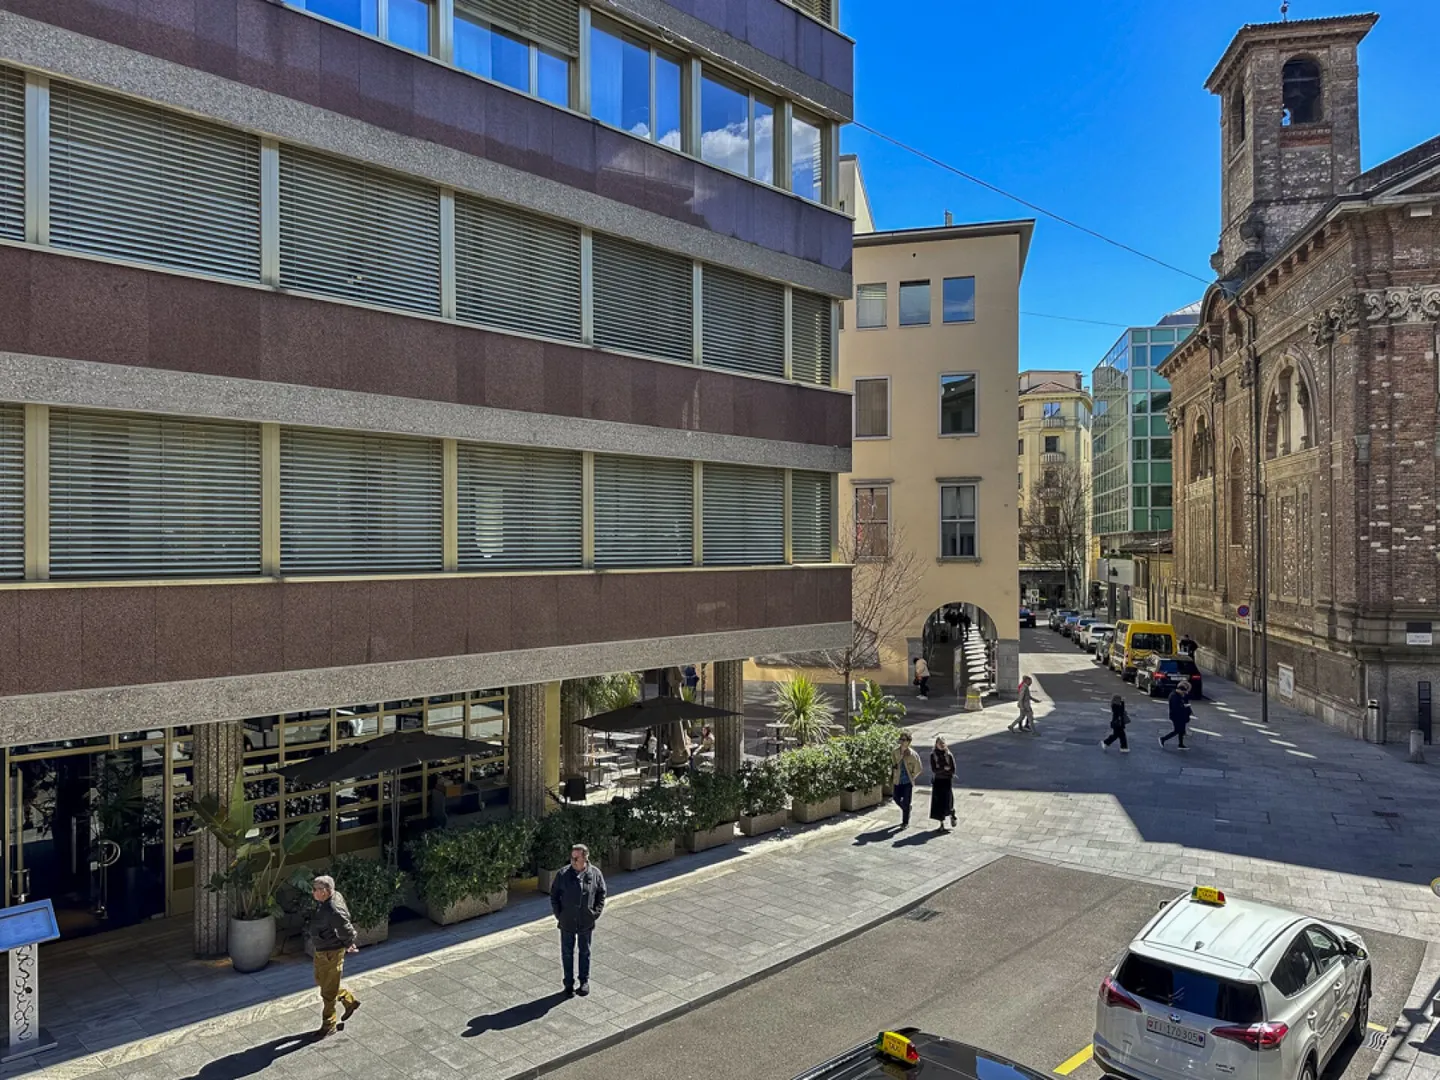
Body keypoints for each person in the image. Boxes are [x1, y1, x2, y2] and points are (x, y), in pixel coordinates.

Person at [549, 843, 607, 997]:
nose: (573, 861)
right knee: (567, 953)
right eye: (572, 858)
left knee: (585, 952)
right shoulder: (563, 874)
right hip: (567, 921)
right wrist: (559, 914)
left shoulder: (595, 874)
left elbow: (601, 893)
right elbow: (554, 895)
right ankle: (568, 984)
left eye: (576, 858)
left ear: (585, 858)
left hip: (585, 921)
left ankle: (584, 982)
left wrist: (595, 913)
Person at [307, 876, 360, 1038]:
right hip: (322, 949)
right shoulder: (330, 900)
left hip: (330, 952)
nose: (312, 892)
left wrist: (348, 943)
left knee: (328, 992)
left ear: (324, 892)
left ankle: (328, 1024)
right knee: (321, 981)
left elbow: (346, 928)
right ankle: (348, 999)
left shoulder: (333, 909)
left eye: (315, 889)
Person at [891, 732, 922, 828]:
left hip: (907, 781)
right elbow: (893, 763)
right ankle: (907, 809)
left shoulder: (913, 755)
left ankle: (905, 822)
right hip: (898, 780)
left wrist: (912, 776)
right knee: (896, 798)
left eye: (904, 740)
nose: (902, 741)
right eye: (901, 739)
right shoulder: (895, 752)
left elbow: (918, 768)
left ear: (908, 742)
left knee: (906, 801)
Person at [929, 736, 957, 831]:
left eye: (943, 743)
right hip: (938, 781)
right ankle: (941, 824)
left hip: (947, 781)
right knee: (938, 803)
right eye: (940, 743)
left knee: (948, 800)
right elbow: (934, 770)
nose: (941, 745)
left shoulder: (948, 755)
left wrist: (942, 770)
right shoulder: (933, 755)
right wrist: (944, 769)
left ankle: (952, 814)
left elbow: (952, 770)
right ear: (936, 744)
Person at [1160, 683, 1192, 750]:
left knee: (1181, 730)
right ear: (1179, 690)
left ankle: (1181, 744)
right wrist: (1184, 706)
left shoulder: (1178, 695)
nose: (1183, 693)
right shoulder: (1174, 696)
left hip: (1180, 716)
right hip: (1176, 716)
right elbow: (1176, 707)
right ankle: (1163, 739)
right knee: (1177, 730)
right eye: (1183, 692)